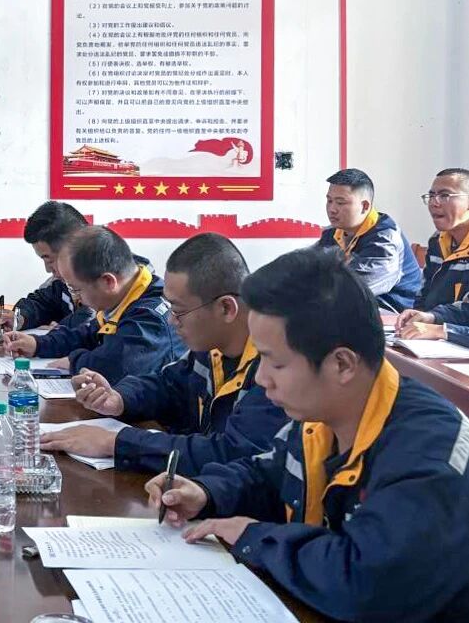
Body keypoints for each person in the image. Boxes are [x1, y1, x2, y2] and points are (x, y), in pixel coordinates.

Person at [147, 247, 469, 623]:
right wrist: (207, 492)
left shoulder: (428, 451)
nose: (262, 378)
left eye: (276, 362)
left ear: (342, 364)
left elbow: (367, 583)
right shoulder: (325, 413)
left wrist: (255, 537)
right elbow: (270, 473)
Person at [40, 234, 287, 475]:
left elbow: (229, 453)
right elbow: (168, 385)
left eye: (178, 311)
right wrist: (119, 399)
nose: (171, 320)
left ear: (225, 308)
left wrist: (115, 443)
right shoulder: (211, 348)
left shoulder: (276, 369)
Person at [3, 226, 181, 383]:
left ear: (108, 282)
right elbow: (87, 335)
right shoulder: (124, 297)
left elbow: (116, 365)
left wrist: (74, 361)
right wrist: (38, 344)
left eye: (76, 289)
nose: (78, 299)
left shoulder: (151, 316)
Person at [314, 168, 421, 311]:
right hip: (352, 309)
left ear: (364, 206)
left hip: (392, 314)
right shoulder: (333, 232)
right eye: (329, 201)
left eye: (340, 203)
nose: (332, 209)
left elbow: (352, 288)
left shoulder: (385, 239)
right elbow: (309, 268)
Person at [0, 201, 88, 332]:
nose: (48, 269)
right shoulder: (59, 284)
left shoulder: (103, 285)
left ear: (73, 249)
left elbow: (90, 325)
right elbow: (41, 303)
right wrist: (19, 318)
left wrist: (61, 332)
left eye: (50, 260)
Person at [397, 168, 469, 339]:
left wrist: (435, 322)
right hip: (438, 340)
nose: (434, 203)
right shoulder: (437, 240)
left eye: (445, 195)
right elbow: (424, 295)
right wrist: (416, 316)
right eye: (431, 196)